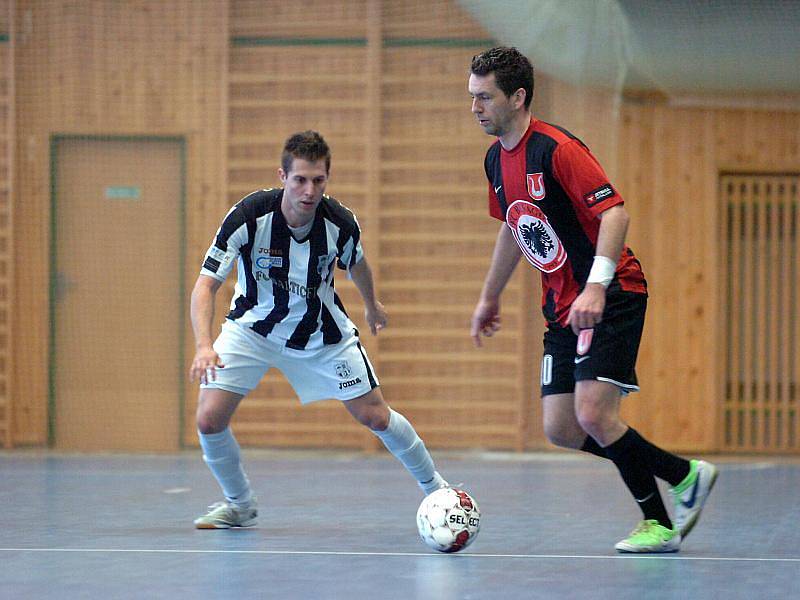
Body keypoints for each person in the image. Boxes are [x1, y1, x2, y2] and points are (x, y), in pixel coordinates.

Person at [467, 47, 717, 553]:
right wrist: (488, 297)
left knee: (594, 415)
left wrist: (598, 285)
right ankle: (682, 474)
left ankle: (660, 522)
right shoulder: (496, 159)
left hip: (612, 293)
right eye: (471, 96)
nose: (475, 106)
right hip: (562, 308)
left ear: (517, 97)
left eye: (485, 97)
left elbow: (616, 214)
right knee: (561, 427)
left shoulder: (556, 149)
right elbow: (513, 229)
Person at [189, 130, 447, 529]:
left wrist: (371, 303)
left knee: (375, 417)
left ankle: (438, 490)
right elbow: (205, 285)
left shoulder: (339, 223)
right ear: (283, 177)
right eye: (300, 180)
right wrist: (204, 345)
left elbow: (357, 262)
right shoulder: (248, 217)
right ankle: (239, 504)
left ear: (327, 178)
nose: (309, 190)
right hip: (252, 330)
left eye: (318, 180)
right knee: (208, 420)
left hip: (320, 337)